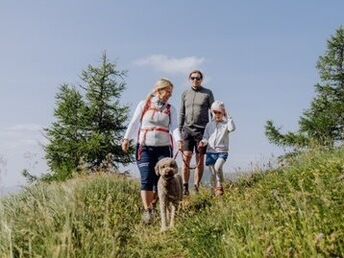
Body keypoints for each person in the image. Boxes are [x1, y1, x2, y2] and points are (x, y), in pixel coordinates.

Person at [122, 78, 180, 224]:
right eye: (168, 92)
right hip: (145, 147)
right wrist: (126, 139)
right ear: (159, 90)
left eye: (171, 93)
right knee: (147, 178)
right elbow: (134, 122)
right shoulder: (144, 104)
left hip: (164, 148)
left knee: (161, 179)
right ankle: (148, 211)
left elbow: (174, 127)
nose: (169, 95)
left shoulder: (170, 109)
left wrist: (179, 140)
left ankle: (158, 207)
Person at [178, 70, 214, 195]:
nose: (195, 80)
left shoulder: (207, 93)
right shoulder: (185, 94)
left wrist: (213, 129)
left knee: (200, 160)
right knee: (186, 158)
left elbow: (213, 111)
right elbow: (182, 113)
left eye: (198, 78)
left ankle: (197, 187)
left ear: (201, 79)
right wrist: (179, 131)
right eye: (193, 78)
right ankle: (185, 187)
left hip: (202, 131)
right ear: (189, 79)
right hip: (187, 130)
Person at [198, 100, 236, 196]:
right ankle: (213, 192)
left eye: (219, 112)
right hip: (210, 152)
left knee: (217, 167)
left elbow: (232, 128)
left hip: (222, 151)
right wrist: (203, 142)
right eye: (215, 112)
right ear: (212, 112)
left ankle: (219, 186)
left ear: (223, 112)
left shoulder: (226, 123)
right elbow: (206, 137)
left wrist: (228, 117)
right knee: (213, 173)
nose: (217, 114)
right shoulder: (209, 125)